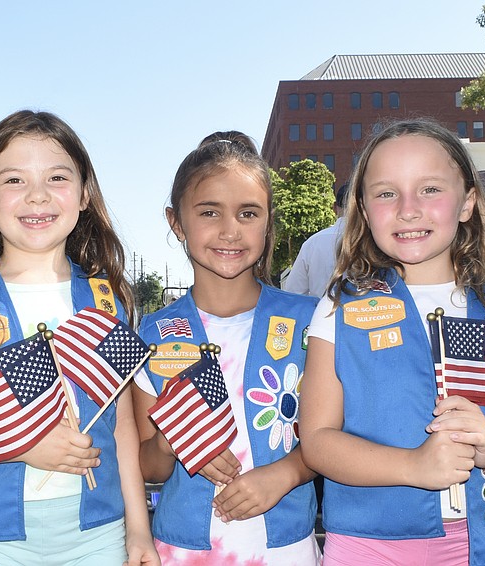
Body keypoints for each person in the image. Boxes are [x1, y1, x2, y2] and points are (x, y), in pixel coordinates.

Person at [0, 110, 159, 566]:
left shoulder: (108, 300)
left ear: (84, 195)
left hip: (98, 533)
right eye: (14, 180)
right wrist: (22, 443)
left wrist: (138, 532)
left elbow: (121, 428)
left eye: (57, 177)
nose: (37, 195)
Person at [298, 119, 485, 566]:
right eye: (386, 193)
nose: (408, 209)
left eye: (430, 189)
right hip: (369, 548)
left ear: (467, 202)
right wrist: (413, 466)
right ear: (362, 207)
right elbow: (318, 440)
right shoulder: (339, 308)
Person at [132, 131, 322, 564]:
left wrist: (286, 473)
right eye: (209, 212)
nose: (230, 231)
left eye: (248, 213)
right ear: (176, 221)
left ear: (268, 220)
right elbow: (148, 466)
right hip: (181, 548)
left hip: (287, 547)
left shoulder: (311, 321)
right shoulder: (152, 334)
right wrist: (171, 442)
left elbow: (336, 434)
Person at [284, 182, 348, 297]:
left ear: (334, 207)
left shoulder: (313, 243)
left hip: (320, 312)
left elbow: (293, 293)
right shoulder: (375, 242)